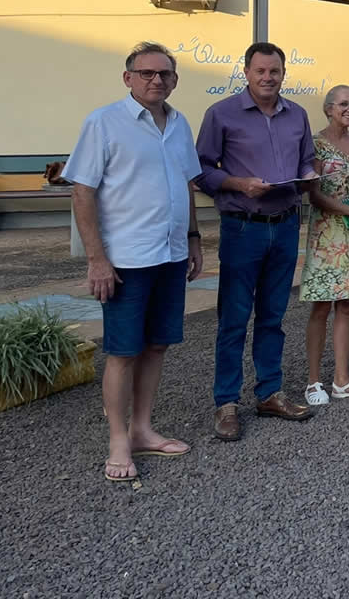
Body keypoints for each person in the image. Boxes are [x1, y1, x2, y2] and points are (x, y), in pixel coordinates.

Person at [66, 42, 203, 482]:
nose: (155, 80)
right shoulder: (104, 122)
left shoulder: (179, 124)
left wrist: (195, 239)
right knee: (123, 352)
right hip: (125, 259)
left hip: (170, 254)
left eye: (164, 74)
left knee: (158, 344)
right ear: (128, 78)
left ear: (175, 80)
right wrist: (97, 260)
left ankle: (143, 428)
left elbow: (186, 186)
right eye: (145, 73)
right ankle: (118, 441)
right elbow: (82, 191)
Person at [197, 41, 318, 442]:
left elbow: (307, 158)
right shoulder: (222, 114)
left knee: (272, 316)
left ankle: (269, 392)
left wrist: (307, 175)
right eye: (261, 71)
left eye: (275, 72)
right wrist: (237, 184)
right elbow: (200, 168)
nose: (268, 78)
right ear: (246, 72)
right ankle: (226, 402)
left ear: (284, 74)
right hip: (242, 226)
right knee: (233, 319)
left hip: (285, 225)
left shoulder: (297, 114)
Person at [299, 85, 349, 405]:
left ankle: (342, 380)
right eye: (344, 104)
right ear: (328, 108)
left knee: (347, 305)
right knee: (321, 305)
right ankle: (313, 381)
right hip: (326, 233)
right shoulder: (316, 144)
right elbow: (313, 194)